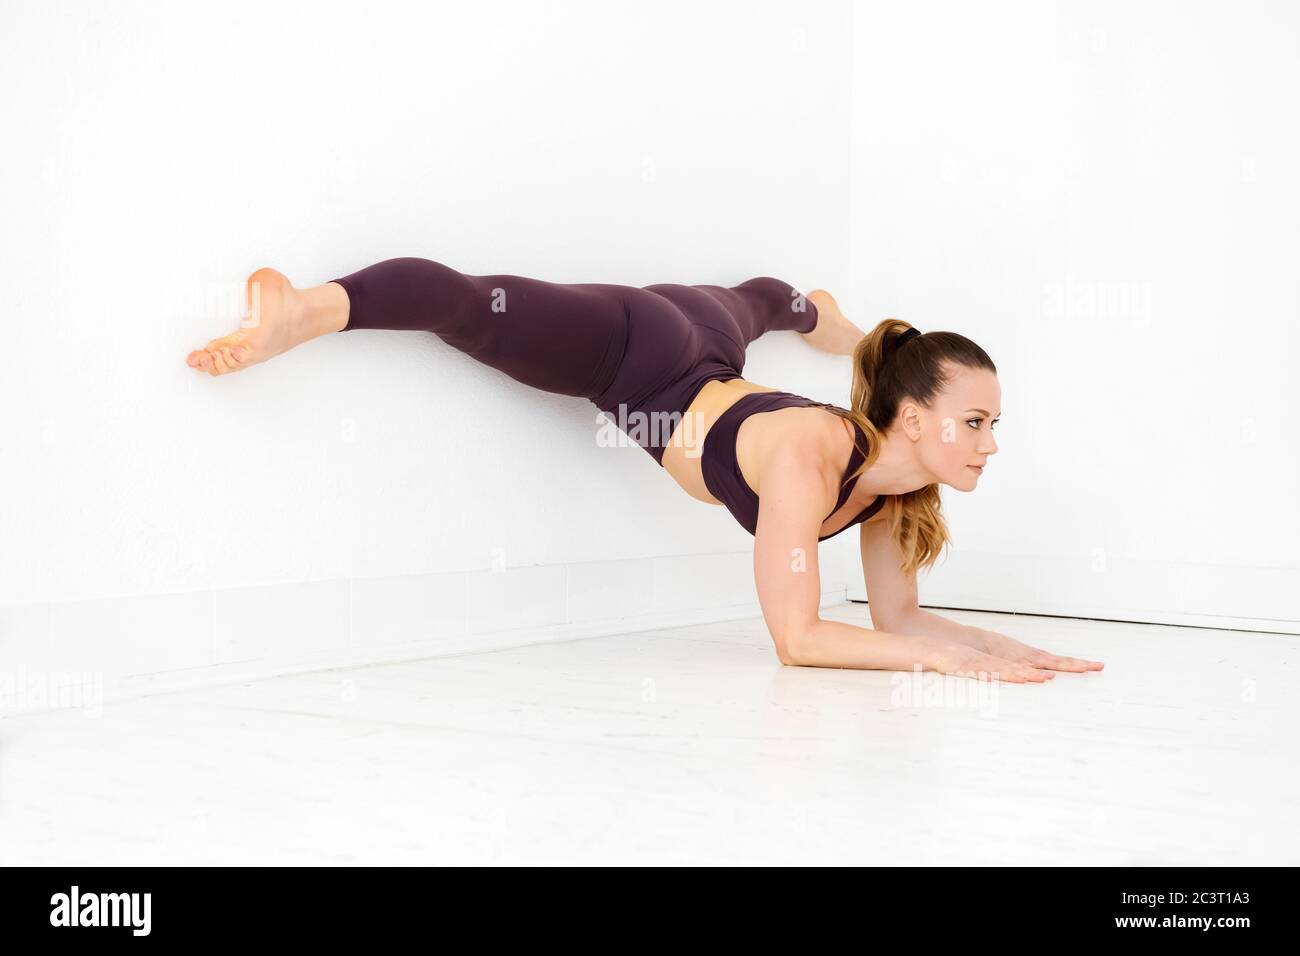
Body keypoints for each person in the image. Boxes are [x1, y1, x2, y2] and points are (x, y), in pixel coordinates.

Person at [185, 257, 1104, 683]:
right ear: (911, 417)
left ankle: (819, 311)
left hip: (712, 336)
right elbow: (799, 638)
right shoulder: (810, 456)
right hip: (642, 350)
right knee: (476, 307)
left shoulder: (899, 486)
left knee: (765, 302)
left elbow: (898, 617)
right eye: (975, 422)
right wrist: (940, 665)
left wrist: (1009, 649)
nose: (989, 443)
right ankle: (301, 307)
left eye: (993, 424)